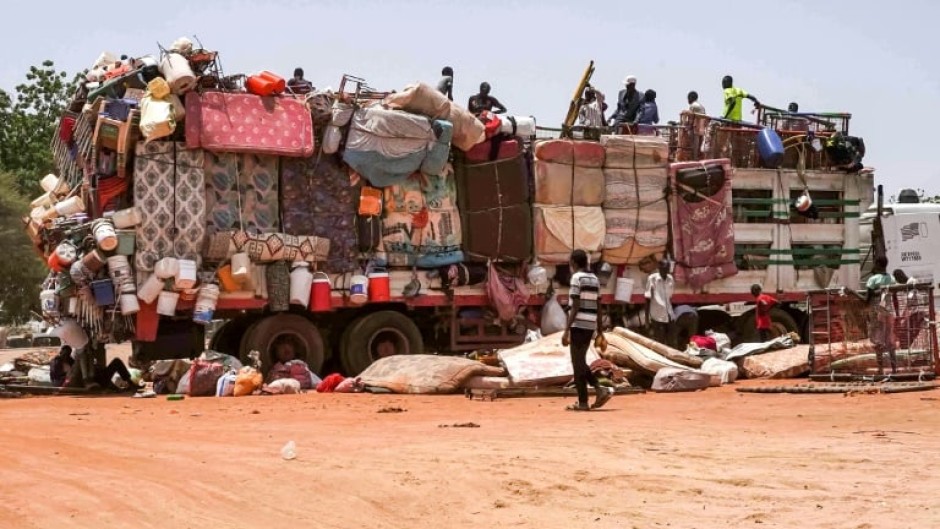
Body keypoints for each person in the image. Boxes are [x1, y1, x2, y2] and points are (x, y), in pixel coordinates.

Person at [561, 250, 614, 411]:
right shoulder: (595, 279)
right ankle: (584, 401)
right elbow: (598, 306)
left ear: (574, 263)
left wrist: (566, 329)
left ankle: (598, 389)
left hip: (578, 325)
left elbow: (576, 305)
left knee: (578, 363)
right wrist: (599, 330)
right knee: (579, 362)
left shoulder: (576, 278)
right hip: (590, 325)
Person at [50, 345, 139, 391]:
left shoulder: (69, 361)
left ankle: (130, 383)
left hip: (97, 376)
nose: (66, 354)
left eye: (67, 352)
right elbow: (58, 377)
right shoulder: (58, 362)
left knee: (116, 362)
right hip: (90, 380)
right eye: (64, 352)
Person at [645, 260, 675, 345]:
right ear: (659, 268)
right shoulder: (652, 279)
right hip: (657, 317)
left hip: (669, 315)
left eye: (667, 269)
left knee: (671, 341)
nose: (666, 271)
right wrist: (647, 320)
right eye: (664, 269)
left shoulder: (670, 279)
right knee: (660, 342)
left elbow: (670, 297)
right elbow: (647, 299)